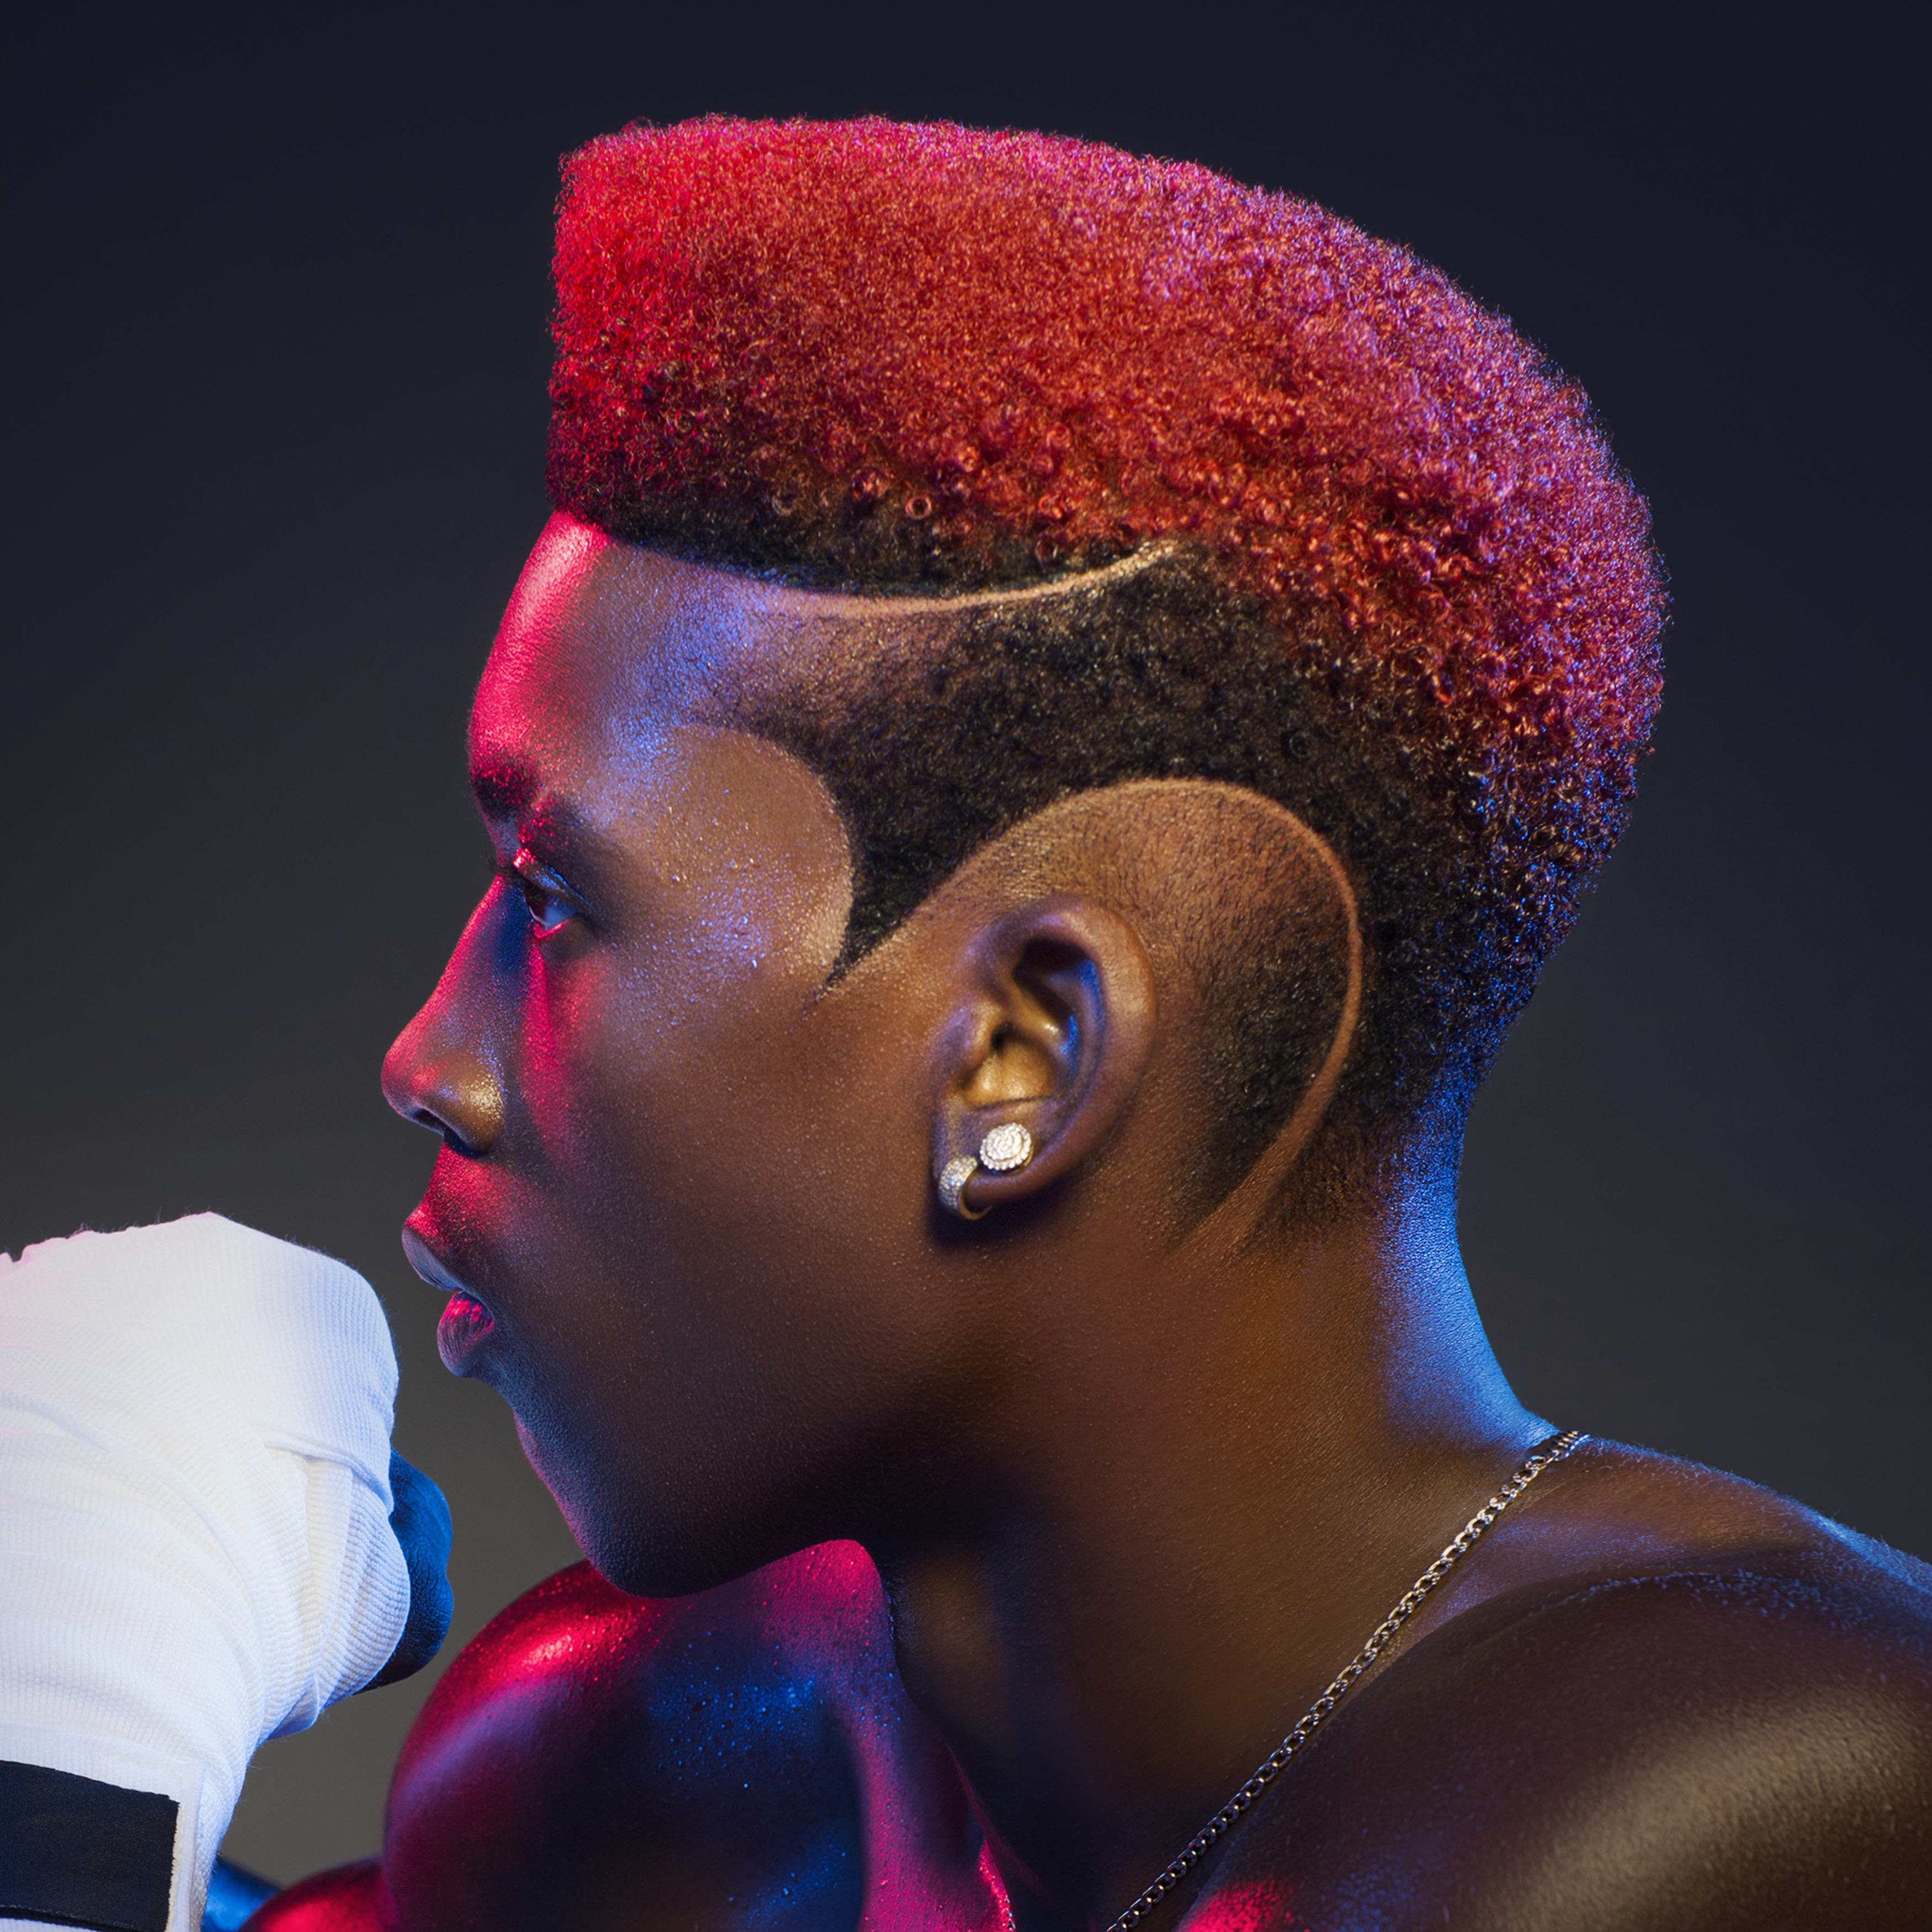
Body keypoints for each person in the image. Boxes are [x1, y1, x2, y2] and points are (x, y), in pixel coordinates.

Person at [10, 115, 1929, 1930]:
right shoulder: (673, 1742)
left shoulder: (1759, 1806)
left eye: (552, 904)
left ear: (1019, 1064)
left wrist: (59, 1784)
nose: (428, 1058)